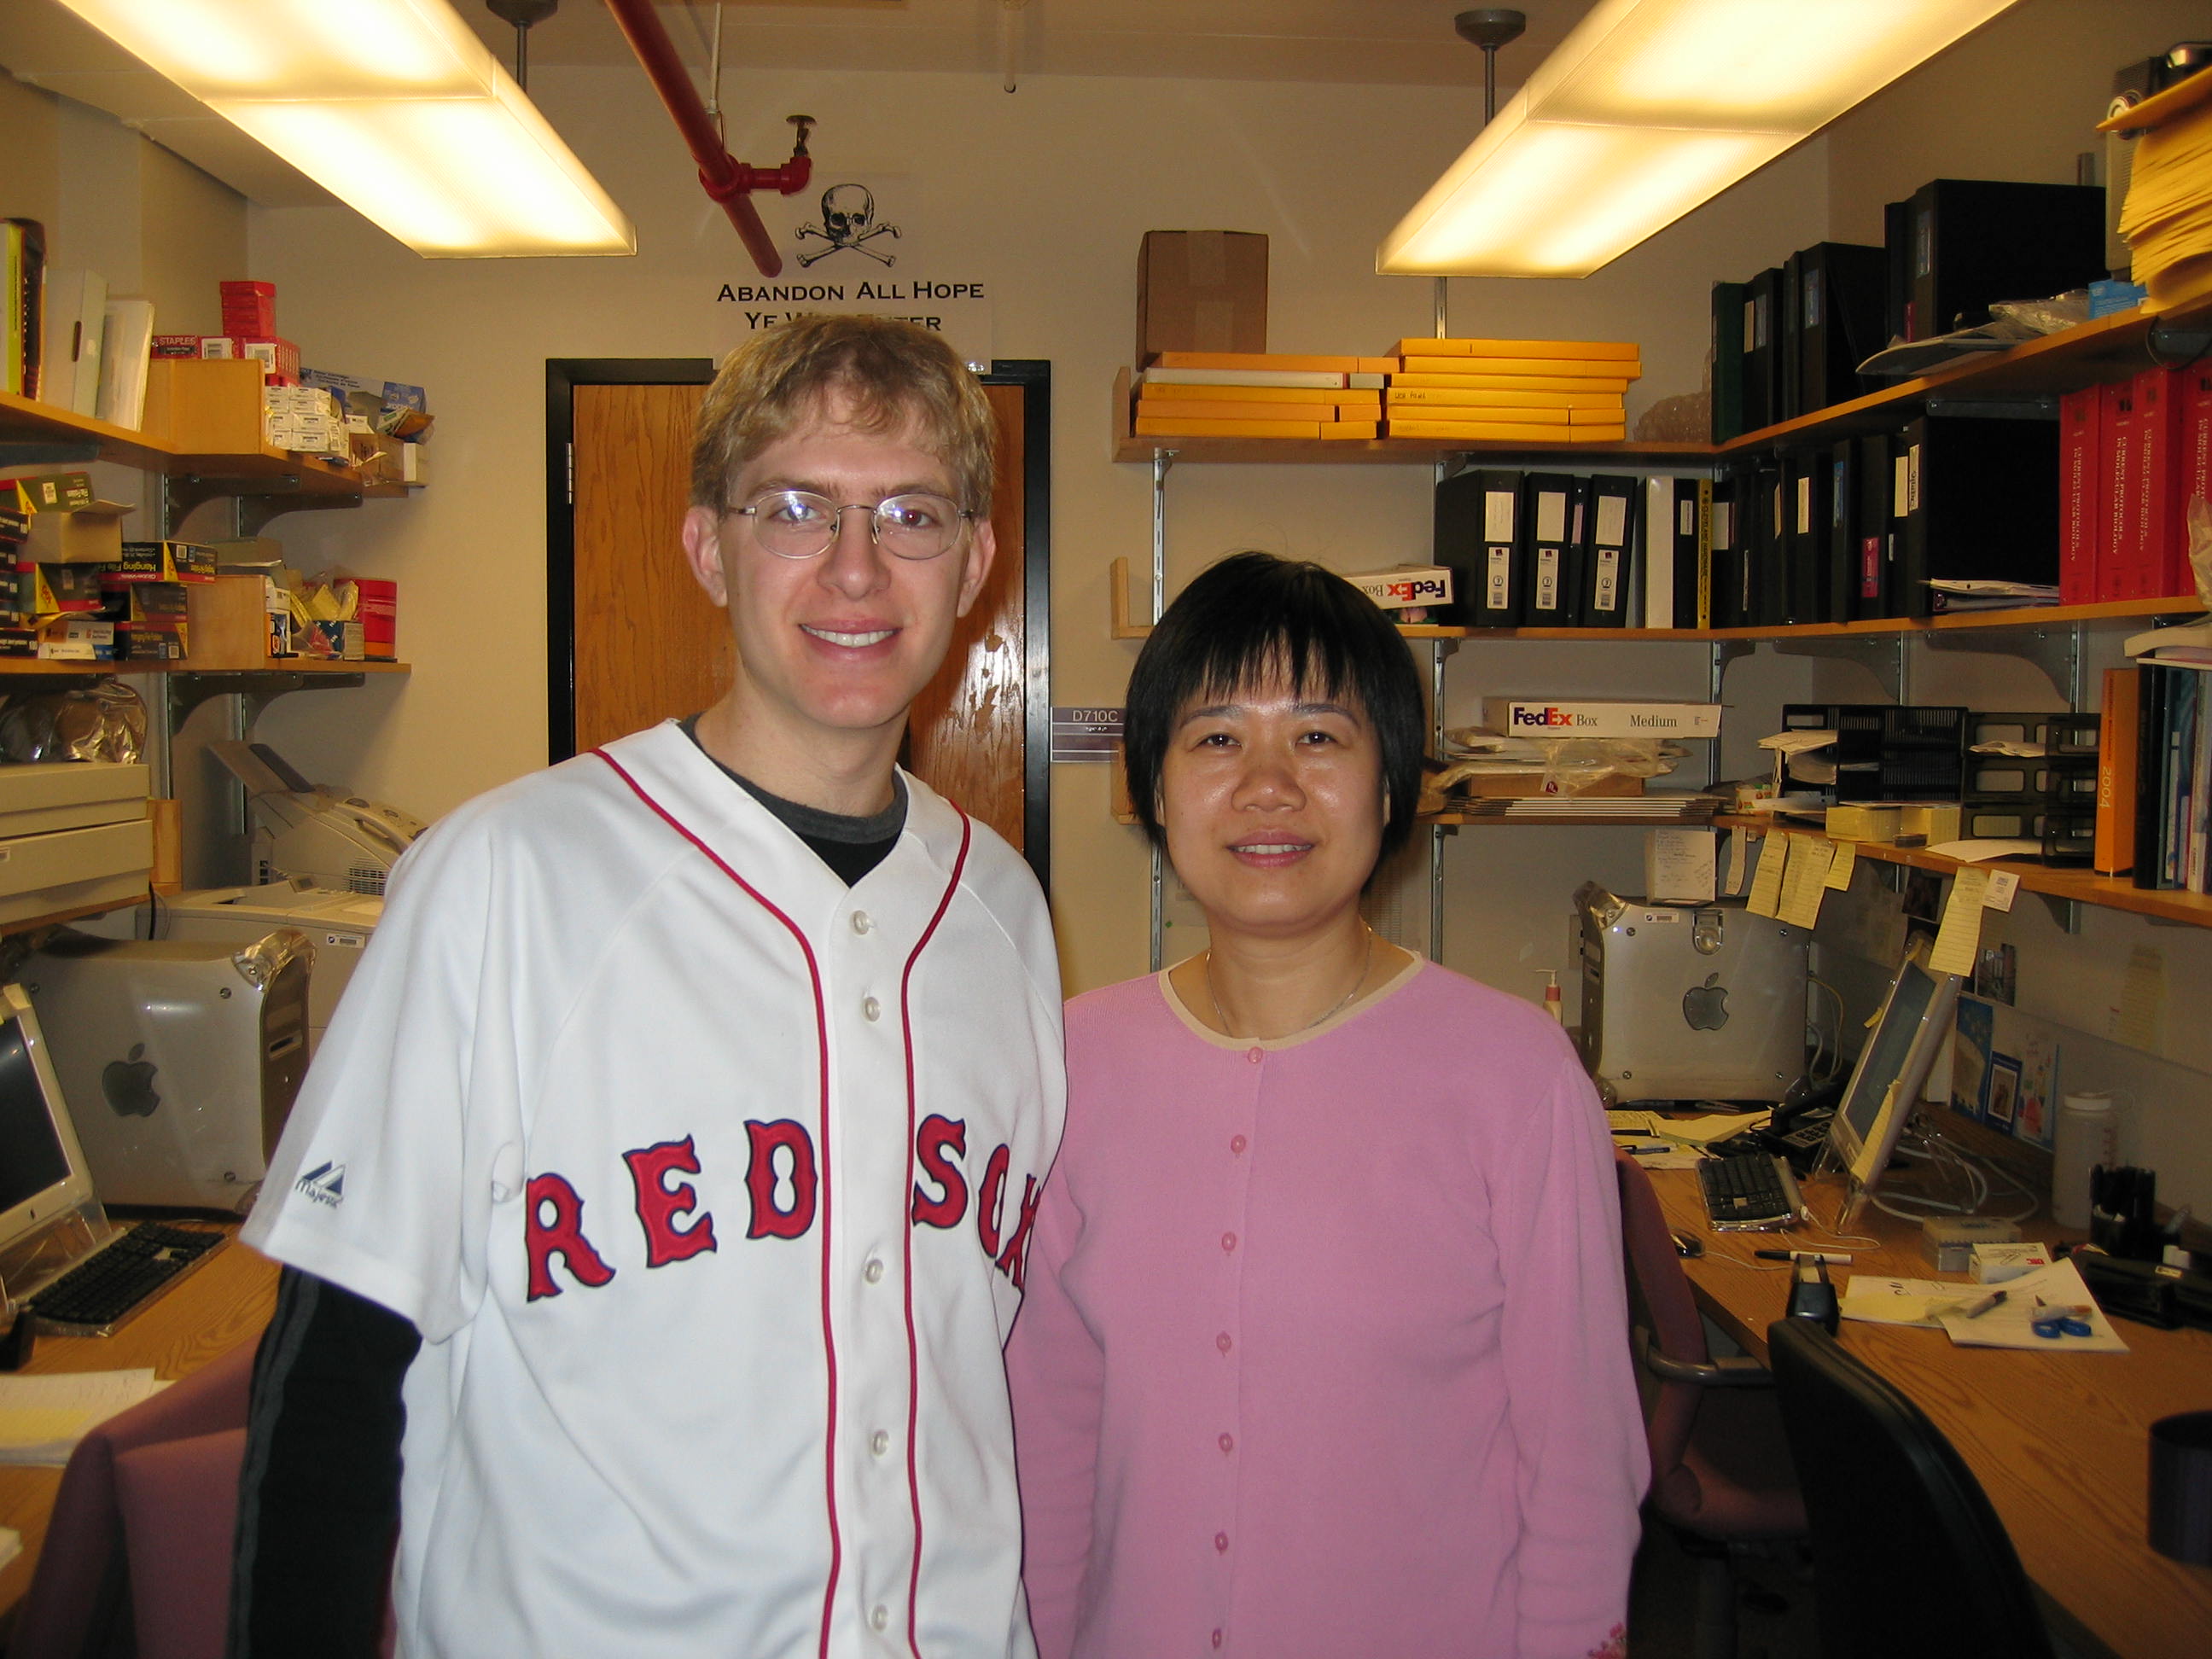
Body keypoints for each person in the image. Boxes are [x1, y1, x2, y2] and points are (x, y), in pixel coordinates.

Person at [230, 315, 1066, 1658]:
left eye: (910, 514)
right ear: (707, 547)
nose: (855, 567)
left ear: (974, 563)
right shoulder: (501, 878)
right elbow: (334, 1372)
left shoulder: (1004, 912)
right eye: (795, 509)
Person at [1005, 552, 1645, 1659]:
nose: (1269, 785)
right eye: (1216, 739)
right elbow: (1050, 1439)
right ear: (1152, 789)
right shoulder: (1073, 1063)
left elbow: (1580, 1469)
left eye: (1317, 736)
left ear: (1390, 787)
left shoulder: (1514, 1078)